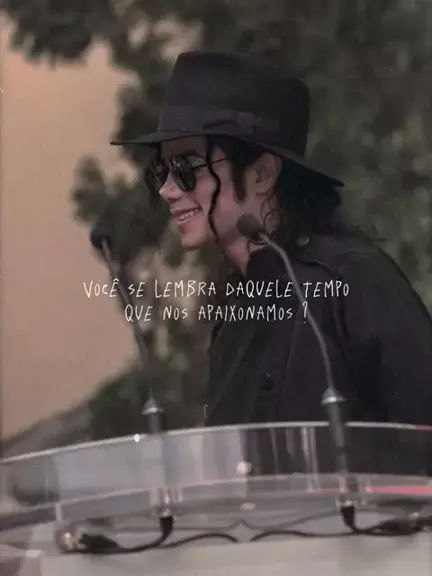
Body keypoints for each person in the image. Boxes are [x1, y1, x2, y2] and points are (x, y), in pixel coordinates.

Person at [112, 50, 432, 430]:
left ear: (262, 174)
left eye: (185, 168)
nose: (167, 190)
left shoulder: (353, 279)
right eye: (161, 171)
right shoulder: (232, 309)